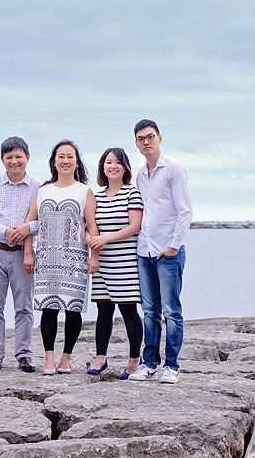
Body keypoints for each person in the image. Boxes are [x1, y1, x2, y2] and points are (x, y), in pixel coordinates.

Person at [23, 140, 99, 375]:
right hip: (46, 258)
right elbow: (30, 224)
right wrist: (28, 253)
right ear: (53, 161)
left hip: (75, 258)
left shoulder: (84, 191)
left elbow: (92, 226)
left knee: (73, 310)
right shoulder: (43, 191)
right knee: (48, 309)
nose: (65, 161)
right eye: (61, 156)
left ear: (77, 162)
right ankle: (48, 358)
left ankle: (66, 358)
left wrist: (94, 256)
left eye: (70, 157)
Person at [127, 119, 193, 384]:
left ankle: (172, 366)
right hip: (144, 251)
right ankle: (149, 364)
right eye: (141, 138)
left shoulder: (174, 169)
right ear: (136, 143)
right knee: (150, 310)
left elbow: (185, 211)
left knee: (171, 310)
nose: (146, 142)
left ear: (160, 138)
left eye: (150, 137)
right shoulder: (140, 174)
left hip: (168, 252)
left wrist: (174, 246)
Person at [0, 137, 40, 373]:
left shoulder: (38, 188)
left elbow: (42, 220)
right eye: (9, 157)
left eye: (18, 156)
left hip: (23, 253)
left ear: (27, 158)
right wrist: (5, 231)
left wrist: (26, 229)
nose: (14, 161)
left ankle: (24, 355)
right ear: (2, 160)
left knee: (24, 307)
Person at [86, 148, 144, 379]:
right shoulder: (96, 196)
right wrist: (91, 241)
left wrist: (105, 239)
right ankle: (101, 358)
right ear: (102, 167)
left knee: (129, 311)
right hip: (101, 261)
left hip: (125, 261)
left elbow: (134, 226)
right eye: (108, 162)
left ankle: (134, 360)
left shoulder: (132, 193)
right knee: (103, 311)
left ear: (125, 168)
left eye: (118, 162)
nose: (113, 166)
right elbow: (88, 225)